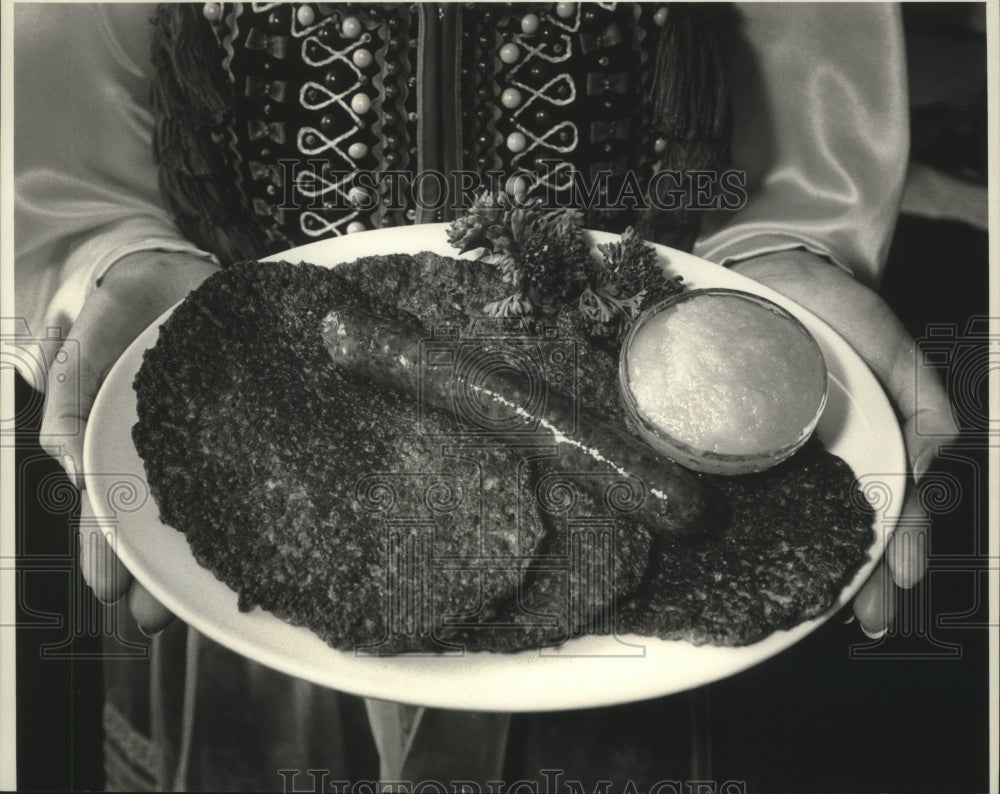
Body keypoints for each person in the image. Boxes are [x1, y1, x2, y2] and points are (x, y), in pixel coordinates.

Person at [14, 2, 958, 790]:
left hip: (655, 369)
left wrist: (781, 243)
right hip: (257, 438)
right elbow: (58, 92)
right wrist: (115, 254)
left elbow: (803, 76)